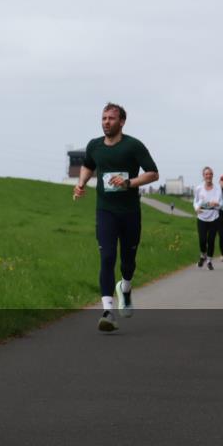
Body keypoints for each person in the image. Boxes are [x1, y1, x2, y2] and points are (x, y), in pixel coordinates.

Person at [73, 103, 159, 333]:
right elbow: (88, 166)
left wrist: (129, 182)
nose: (106, 122)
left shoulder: (133, 146)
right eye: (104, 118)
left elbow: (153, 172)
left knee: (128, 261)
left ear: (122, 122)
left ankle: (126, 287)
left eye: (111, 118)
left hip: (130, 212)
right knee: (107, 257)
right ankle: (108, 311)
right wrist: (81, 184)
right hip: (106, 211)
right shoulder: (94, 146)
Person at [192, 167, 222, 270]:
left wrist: (217, 204)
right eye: (206, 174)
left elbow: (222, 203)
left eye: (210, 174)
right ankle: (202, 255)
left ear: (212, 175)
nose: (208, 176)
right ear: (203, 176)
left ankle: (209, 260)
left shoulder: (218, 188)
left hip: (214, 218)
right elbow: (195, 202)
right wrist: (196, 208)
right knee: (202, 240)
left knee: (211, 240)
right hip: (202, 218)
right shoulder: (198, 188)